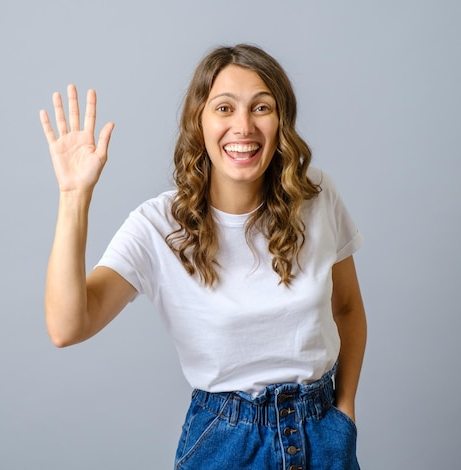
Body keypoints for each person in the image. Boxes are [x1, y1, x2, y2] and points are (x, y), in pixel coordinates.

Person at [39, 44, 366, 470]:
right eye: (224, 108)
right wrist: (73, 196)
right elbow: (67, 326)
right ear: (199, 121)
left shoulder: (317, 197)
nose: (243, 126)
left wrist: (345, 410)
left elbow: (347, 307)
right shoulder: (158, 226)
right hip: (226, 444)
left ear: (281, 119)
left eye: (261, 107)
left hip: (322, 435)